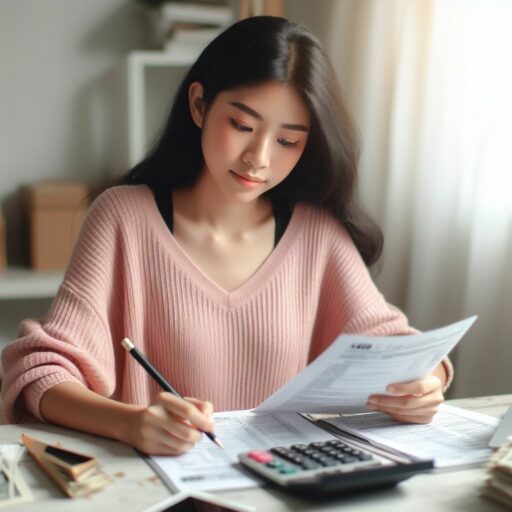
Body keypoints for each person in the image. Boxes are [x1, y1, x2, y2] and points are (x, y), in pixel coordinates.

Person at [1, 16, 451, 456]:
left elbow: (400, 349)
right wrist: (131, 423)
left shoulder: (317, 234)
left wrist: (426, 384)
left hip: (282, 494)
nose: (258, 158)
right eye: (242, 126)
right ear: (199, 105)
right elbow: (41, 370)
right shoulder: (124, 218)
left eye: (287, 142)